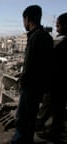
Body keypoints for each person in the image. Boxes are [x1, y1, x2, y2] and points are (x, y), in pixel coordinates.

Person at [10, 5, 53, 144]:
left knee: (23, 118)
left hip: (31, 86)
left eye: (23, 20)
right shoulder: (47, 37)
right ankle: (26, 140)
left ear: (27, 19)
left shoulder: (35, 37)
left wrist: (22, 80)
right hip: (40, 85)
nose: (24, 24)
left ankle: (18, 141)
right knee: (31, 117)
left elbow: (30, 63)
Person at [48, 12, 67, 143]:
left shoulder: (62, 43)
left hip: (59, 83)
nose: (57, 29)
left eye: (58, 25)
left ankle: (55, 133)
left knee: (57, 108)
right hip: (61, 82)